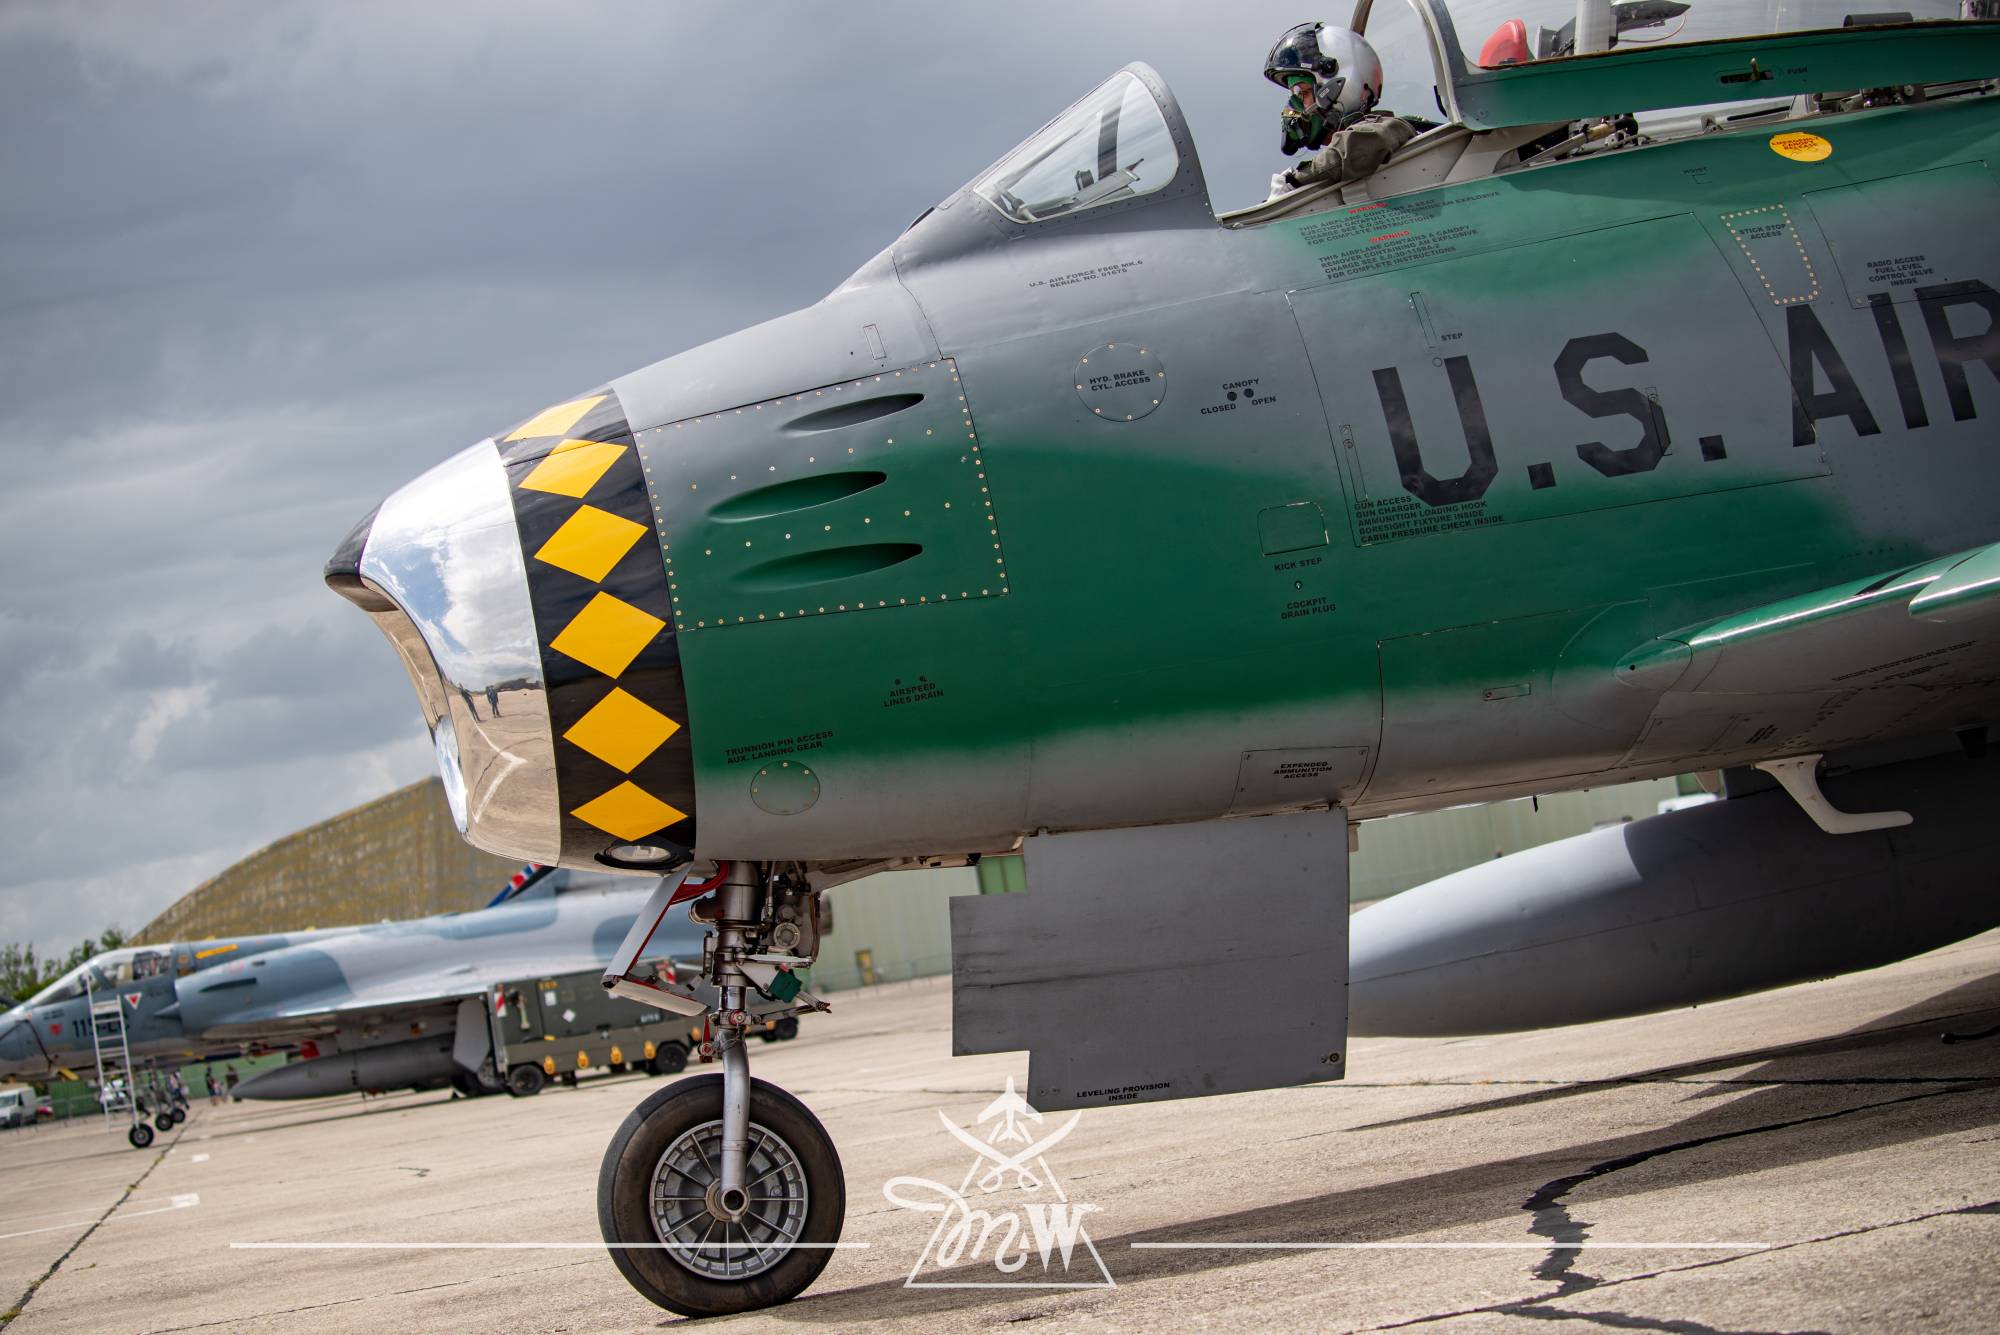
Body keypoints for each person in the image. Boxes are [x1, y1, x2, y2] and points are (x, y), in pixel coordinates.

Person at [1264, 21, 1414, 197]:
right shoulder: (1338, 172)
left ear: (1337, 88)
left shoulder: (1387, 130)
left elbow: (1361, 145)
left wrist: (1296, 180)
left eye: (1301, 92)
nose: (1295, 107)